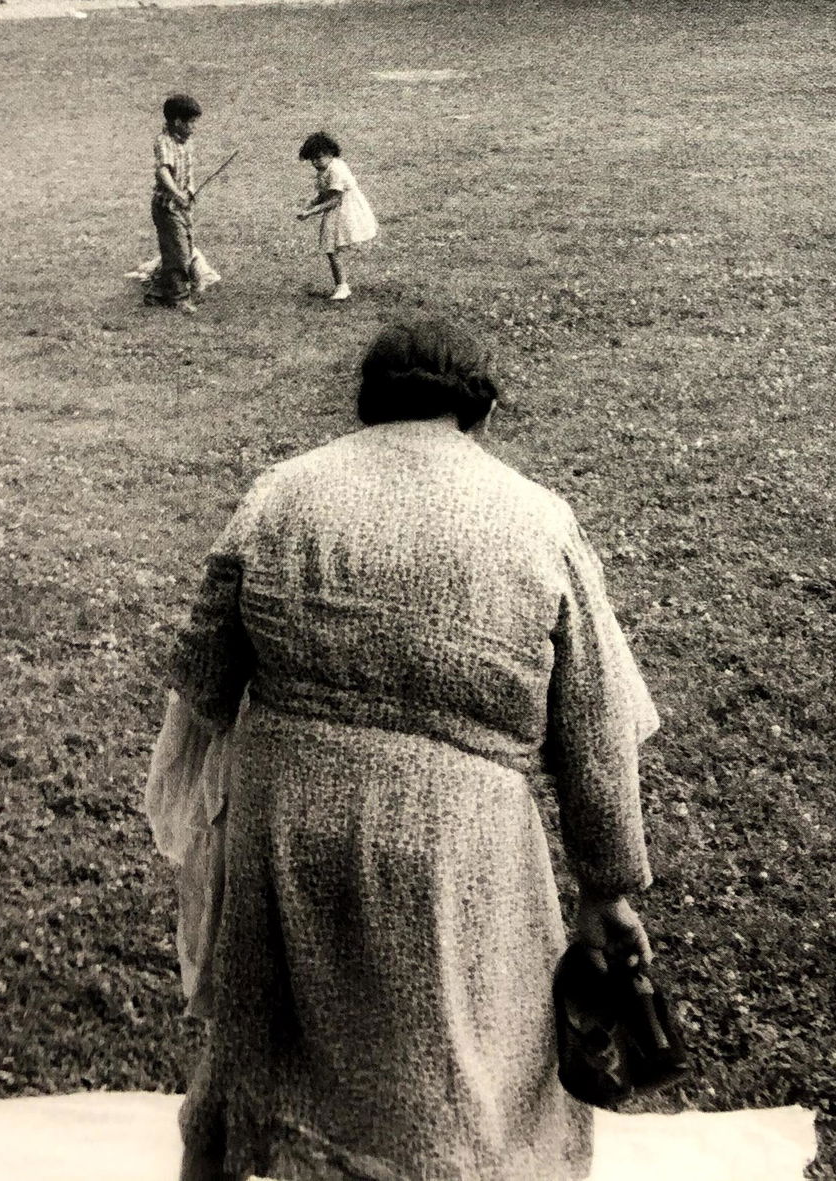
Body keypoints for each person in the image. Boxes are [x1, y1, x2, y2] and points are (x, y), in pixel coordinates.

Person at [150, 316, 658, 1181]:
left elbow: (201, 678)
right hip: (455, 851)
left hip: (288, 829)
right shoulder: (537, 518)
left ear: (367, 406)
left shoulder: (280, 493)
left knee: (275, 1055)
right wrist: (606, 890)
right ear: (481, 415)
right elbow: (596, 730)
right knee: (452, 1075)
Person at [296, 129, 378, 302]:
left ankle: (342, 286)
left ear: (330, 154)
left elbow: (334, 200)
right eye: (312, 159)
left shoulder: (336, 170)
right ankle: (342, 285)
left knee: (333, 247)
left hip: (346, 210)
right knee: (331, 249)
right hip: (335, 209)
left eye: (319, 157)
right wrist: (311, 203)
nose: (316, 163)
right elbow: (324, 194)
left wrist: (310, 212)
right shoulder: (324, 170)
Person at [148, 94, 202, 312]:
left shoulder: (187, 143)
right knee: (177, 251)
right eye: (191, 123)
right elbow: (163, 172)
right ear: (178, 122)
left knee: (185, 248)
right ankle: (178, 298)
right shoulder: (164, 142)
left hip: (181, 206)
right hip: (166, 207)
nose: (194, 127)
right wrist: (176, 193)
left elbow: (189, 173)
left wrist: (189, 191)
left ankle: (158, 292)